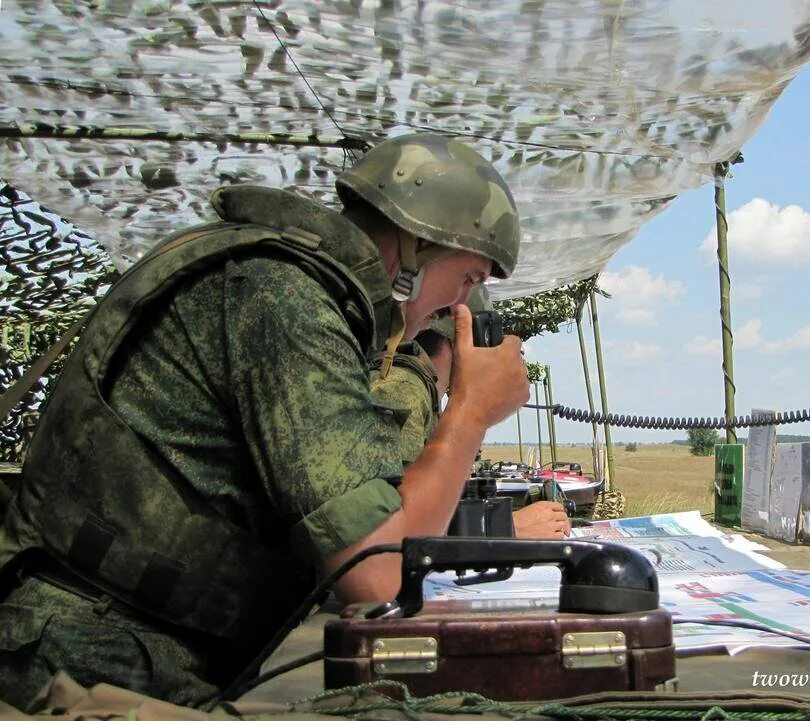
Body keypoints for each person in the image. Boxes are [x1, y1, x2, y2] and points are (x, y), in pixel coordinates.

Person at [0, 133, 530, 708]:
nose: (459, 302)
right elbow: (376, 573)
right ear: (418, 246)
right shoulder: (283, 298)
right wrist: (472, 411)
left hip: (129, 649)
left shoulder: (289, 289)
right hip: (85, 658)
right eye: (470, 279)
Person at [370, 296, 571, 540]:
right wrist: (505, 529)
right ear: (468, 342)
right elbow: (391, 536)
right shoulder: (401, 390)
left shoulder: (418, 388)